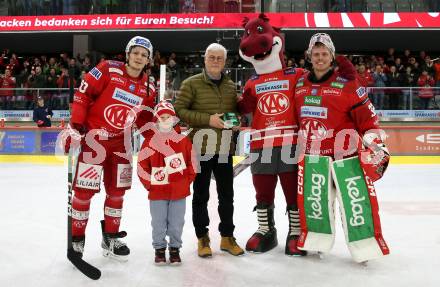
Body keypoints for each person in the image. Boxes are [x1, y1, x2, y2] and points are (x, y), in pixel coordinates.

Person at [294, 33, 390, 263]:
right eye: (316, 54)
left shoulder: (348, 85)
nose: (320, 58)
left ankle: (365, 249)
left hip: (346, 158)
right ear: (309, 56)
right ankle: (315, 243)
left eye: (324, 54)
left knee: (357, 205)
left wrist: (377, 146)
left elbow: (368, 121)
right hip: (314, 159)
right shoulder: (299, 84)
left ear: (332, 56)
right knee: (315, 205)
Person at [62, 36, 156, 261]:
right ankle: (77, 240)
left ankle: (110, 238)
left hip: (121, 146)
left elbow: (144, 119)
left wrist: (157, 142)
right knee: (84, 193)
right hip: (94, 142)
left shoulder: (148, 86)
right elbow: (83, 95)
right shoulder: (107, 69)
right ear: (127, 53)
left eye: (144, 55)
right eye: (136, 52)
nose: (139, 57)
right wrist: (75, 126)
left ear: (148, 60)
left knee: (117, 192)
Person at [174, 43, 244, 258]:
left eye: (219, 58)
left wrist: (236, 122)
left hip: (224, 149)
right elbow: (179, 111)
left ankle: (227, 237)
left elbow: (233, 113)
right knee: (201, 195)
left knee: (227, 196)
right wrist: (208, 120)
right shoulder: (191, 84)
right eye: (211, 57)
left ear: (225, 62)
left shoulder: (231, 86)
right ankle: (202, 237)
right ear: (205, 60)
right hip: (200, 148)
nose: (215, 61)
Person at [137, 101, 196, 266]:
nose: (165, 120)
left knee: (177, 222)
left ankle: (175, 248)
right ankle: (159, 249)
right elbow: (142, 166)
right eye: (161, 117)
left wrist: (186, 181)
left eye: (168, 117)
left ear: (174, 118)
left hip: (179, 191)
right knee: (158, 223)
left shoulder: (183, 141)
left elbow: (193, 163)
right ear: (156, 120)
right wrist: (150, 184)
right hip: (157, 192)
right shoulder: (149, 141)